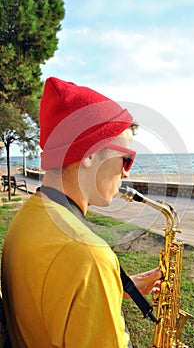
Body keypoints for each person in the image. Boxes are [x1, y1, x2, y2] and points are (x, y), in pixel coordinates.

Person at [1, 77, 162, 347]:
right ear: (89, 153)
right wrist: (97, 276)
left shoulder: (27, 217)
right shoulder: (88, 256)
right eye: (126, 158)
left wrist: (113, 286)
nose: (126, 171)